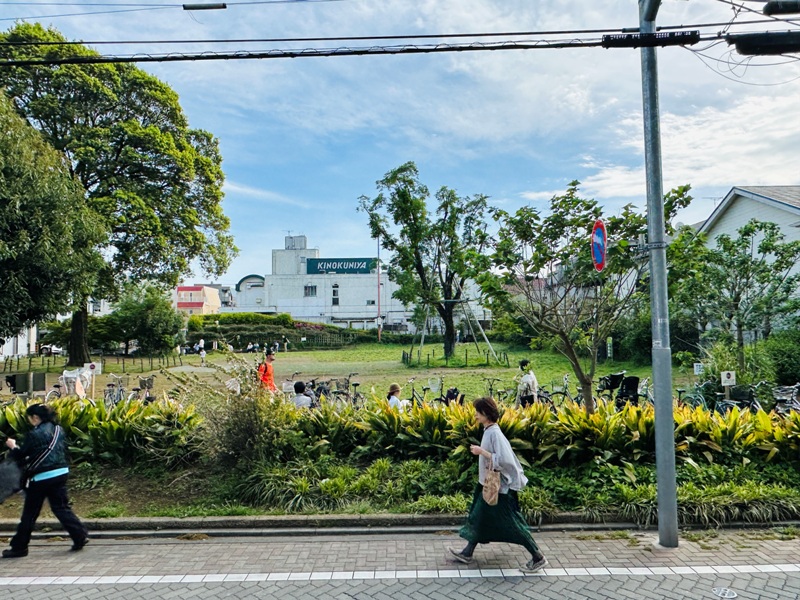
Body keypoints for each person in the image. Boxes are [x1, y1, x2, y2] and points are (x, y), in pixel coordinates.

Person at [448, 397, 548, 573]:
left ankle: (538, 557)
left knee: (512, 524)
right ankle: (467, 552)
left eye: (478, 412)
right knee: (479, 517)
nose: (476, 416)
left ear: (486, 413)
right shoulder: (489, 430)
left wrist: (482, 452)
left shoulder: (494, 433)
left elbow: (504, 460)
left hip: (499, 490)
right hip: (487, 485)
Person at [2, 404, 88, 559]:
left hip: (41, 477)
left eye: (30, 418)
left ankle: (19, 548)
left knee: (30, 513)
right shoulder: (58, 430)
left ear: (35, 417)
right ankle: (79, 535)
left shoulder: (34, 434)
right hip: (61, 473)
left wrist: (13, 446)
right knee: (61, 507)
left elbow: (21, 455)